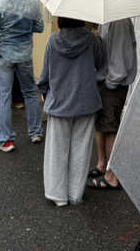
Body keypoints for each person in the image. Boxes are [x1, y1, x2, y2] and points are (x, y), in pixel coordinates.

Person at [38, 17, 104, 206]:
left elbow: (45, 75)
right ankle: (76, 194)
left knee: (57, 151)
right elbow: (101, 65)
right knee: (81, 149)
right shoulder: (93, 40)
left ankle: (58, 195)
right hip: (86, 102)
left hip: (59, 102)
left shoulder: (53, 41)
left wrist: (45, 93)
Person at [0, 0, 45, 152]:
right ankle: (35, 132)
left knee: (4, 96)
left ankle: (6, 139)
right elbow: (39, 27)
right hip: (24, 54)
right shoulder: (32, 3)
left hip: (3, 54)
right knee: (30, 93)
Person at [88, 18, 136, 190]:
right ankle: (102, 165)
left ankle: (112, 176)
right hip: (104, 81)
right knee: (101, 125)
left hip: (113, 84)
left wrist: (111, 82)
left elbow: (120, 58)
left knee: (109, 127)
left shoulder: (120, 21)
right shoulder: (106, 18)